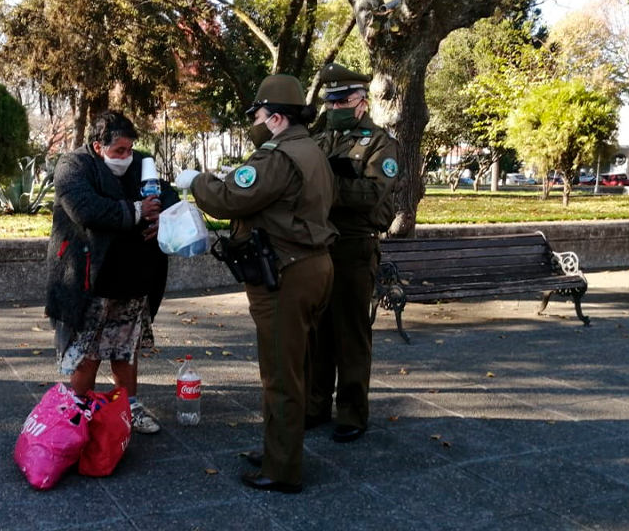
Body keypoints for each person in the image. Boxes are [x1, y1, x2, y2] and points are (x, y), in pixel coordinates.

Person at [175, 75, 337, 493]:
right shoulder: (312, 150)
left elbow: (227, 198)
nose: (257, 123)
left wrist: (196, 181)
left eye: (260, 116)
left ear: (277, 118)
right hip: (315, 266)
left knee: (281, 375)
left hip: (287, 274)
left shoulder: (279, 156)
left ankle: (282, 469)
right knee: (295, 366)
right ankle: (277, 448)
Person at [45, 110, 179, 435]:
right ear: (97, 145)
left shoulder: (141, 164)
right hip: (90, 281)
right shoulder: (73, 166)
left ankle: (127, 407)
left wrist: (166, 216)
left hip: (133, 280)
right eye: (119, 150)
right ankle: (76, 414)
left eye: (130, 149)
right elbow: (85, 209)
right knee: (87, 352)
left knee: (126, 349)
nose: (126, 157)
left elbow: (168, 195)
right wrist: (135, 211)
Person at [307, 63, 399, 443]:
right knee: (318, 330)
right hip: (318, 244)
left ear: (362, 102)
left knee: (351, 332)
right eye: (331, 101)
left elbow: (372, 193)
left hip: (354, 245)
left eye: (343, 100)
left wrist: (326, 185)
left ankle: (352, 411)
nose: (335, 107)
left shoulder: (380, 143)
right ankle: (315, 404)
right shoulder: (321, 139)